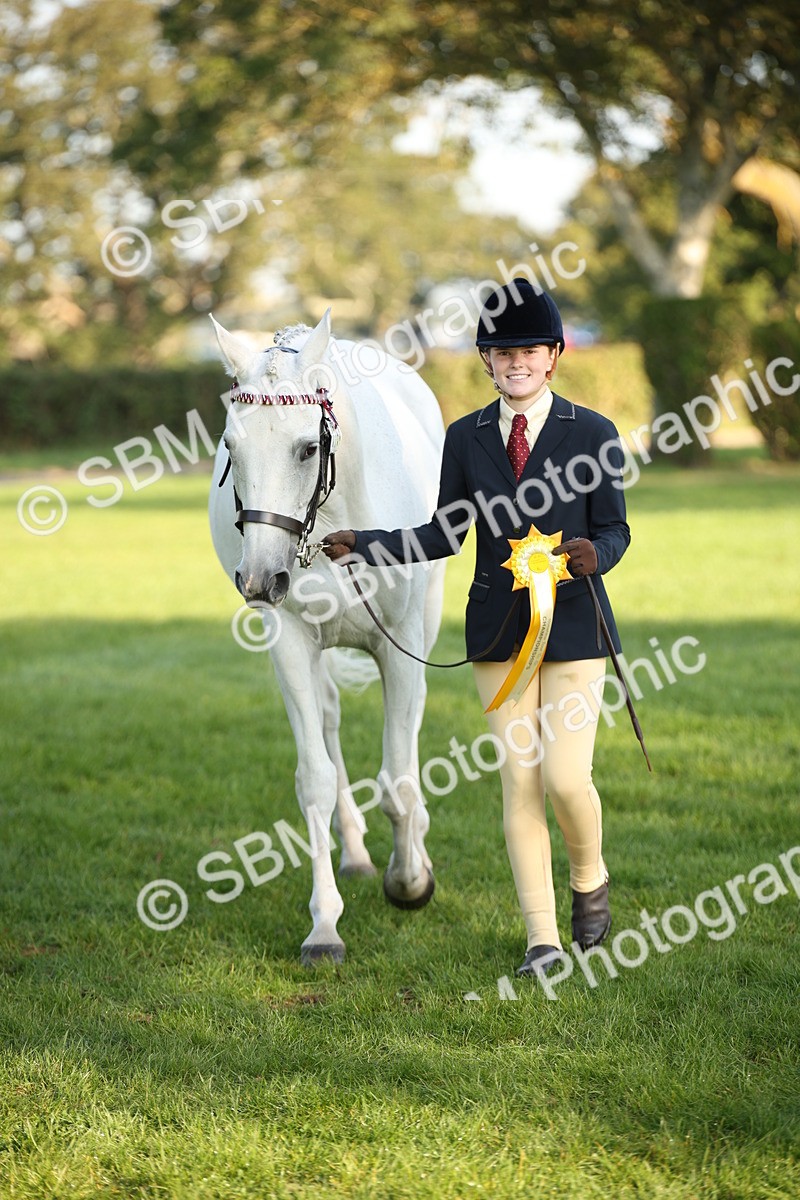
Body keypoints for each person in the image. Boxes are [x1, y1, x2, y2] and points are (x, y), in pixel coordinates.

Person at [322, 279, 630, 979]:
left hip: (577, 631)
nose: (516, 362)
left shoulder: (594, 433)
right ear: (486, 361)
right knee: (519, 783)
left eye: (529, 350)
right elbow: (443, 533)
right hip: (497, 636)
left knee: (564, 777)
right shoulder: (464, 438)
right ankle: (542, 941)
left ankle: (590, 877)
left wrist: (595, 555)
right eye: (501, 351)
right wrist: (366, 542)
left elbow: (616, 528)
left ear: (554, 356)